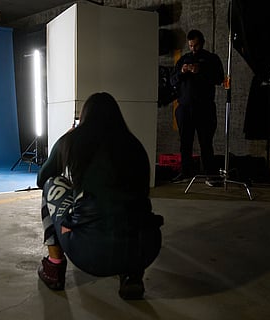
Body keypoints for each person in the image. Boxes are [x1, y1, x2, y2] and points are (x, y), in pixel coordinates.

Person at [36, 92, 164, 300]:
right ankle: (132, 275)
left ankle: (54, 267)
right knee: (130, 211)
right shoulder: (135, 145)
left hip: (89, 251)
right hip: (145, 247)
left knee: (53, 184)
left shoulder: (72, 140)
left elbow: (42, 178)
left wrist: (65, 145)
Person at [170, 29, 225, 184]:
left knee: (206, 142)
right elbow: (172, 81)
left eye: (196, 45)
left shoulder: (212, 59)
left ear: (202, 43)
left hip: (204, 108)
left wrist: (200, 71)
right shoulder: (183, 59)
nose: (193, 49)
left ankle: (210, 174)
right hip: (185, 108)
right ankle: (185, 172)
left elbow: (219, 78)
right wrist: (182, 71)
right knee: (185, 142)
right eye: (190, 46)